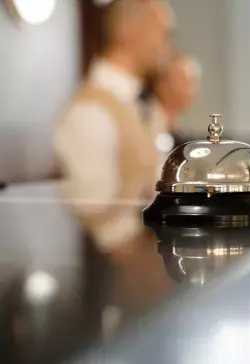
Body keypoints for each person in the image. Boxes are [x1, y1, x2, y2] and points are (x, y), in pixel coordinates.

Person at [53, 0, 174, 252]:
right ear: (131, 33)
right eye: (162, 31)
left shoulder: (147, 107)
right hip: (109, 273)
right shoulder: (91, 112)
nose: (168, 44)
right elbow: (95, 217)